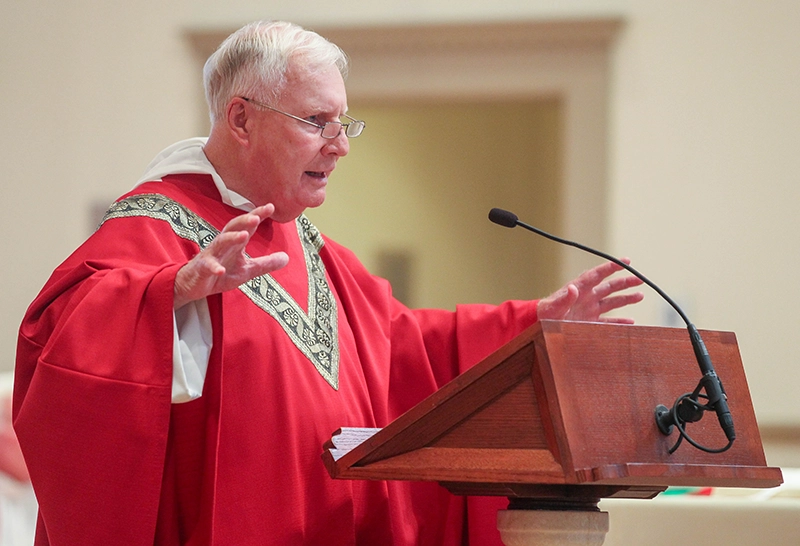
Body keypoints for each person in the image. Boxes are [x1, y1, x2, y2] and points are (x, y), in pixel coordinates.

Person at [13, 20, 643, 546]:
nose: (340, 146)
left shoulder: (311, 246)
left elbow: (408, 346)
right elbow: (57, 342)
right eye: (317, 121)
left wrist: (530, 321)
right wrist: (171, 293)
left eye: (344, 123)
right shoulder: (154, 225)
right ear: (240, 118)